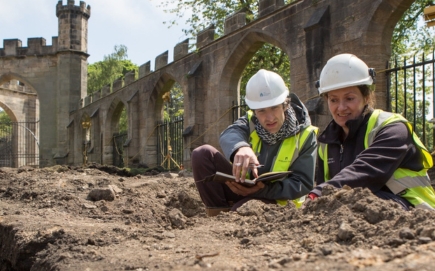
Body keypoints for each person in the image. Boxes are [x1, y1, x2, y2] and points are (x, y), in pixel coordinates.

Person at [306, 53, 435, 210]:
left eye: (349, 98)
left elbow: (365, 171)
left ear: (366, 96)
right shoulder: (327, 143)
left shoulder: (393, 128)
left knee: (354, 200)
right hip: (357, 220)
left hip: (416, 214)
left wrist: (317, 194)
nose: (341, 107)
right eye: (333, 100)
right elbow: (326, 189)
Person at [191, 69, 318, 216]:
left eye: (274, 107)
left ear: (285, 105)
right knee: (202, 153)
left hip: (278, 202)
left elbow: (302, 183)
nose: (269, 117)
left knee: (241, 210)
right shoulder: (251, 120)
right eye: (262, 110)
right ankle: (217, 216)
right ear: (254, 110)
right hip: (244, 190)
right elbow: (229, 133)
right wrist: (241, 147)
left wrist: (262, 190)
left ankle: (229, 217)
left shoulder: (305, 135)